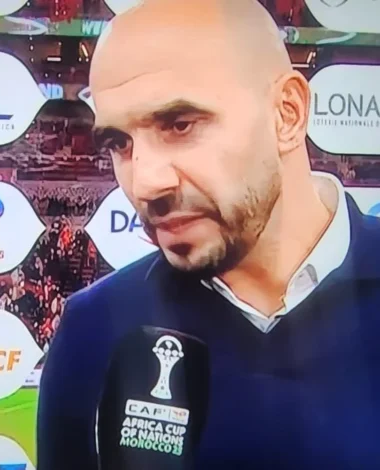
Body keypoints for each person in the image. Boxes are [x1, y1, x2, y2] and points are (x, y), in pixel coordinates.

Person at [37, 0, 380, 468]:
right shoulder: (93, 329)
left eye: (180, 125)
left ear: (287, 114)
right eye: (119, 143)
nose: (145, 183)